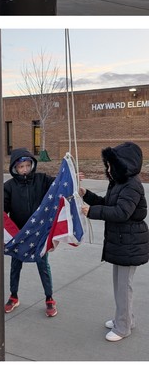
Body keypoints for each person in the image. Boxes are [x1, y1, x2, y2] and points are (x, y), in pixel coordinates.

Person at [80, 142, 148, 342]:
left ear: (123, 164)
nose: (108, 169)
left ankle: (123, 327)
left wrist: (93, 212)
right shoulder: (119, 183)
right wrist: (88, 196)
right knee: (119, 285)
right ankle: (126, 319)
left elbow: (121, 212)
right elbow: (108, 204)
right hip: (122, 242)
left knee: (123, 287)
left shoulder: (132, 185)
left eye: (111, 165)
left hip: (130, 243)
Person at [3, 148, 57, 317]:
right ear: (14, 168)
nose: (25, 169)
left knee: (43, 265)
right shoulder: (9, 186)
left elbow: (59, 184)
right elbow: (2, 211)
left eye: (27, 165)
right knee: (15, 265)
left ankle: (49, 298)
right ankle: (13, 296)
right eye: (21, 167)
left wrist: (73, 179)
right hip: (18, 234)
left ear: (32, 165)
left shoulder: (42, 180)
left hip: (39, 233)